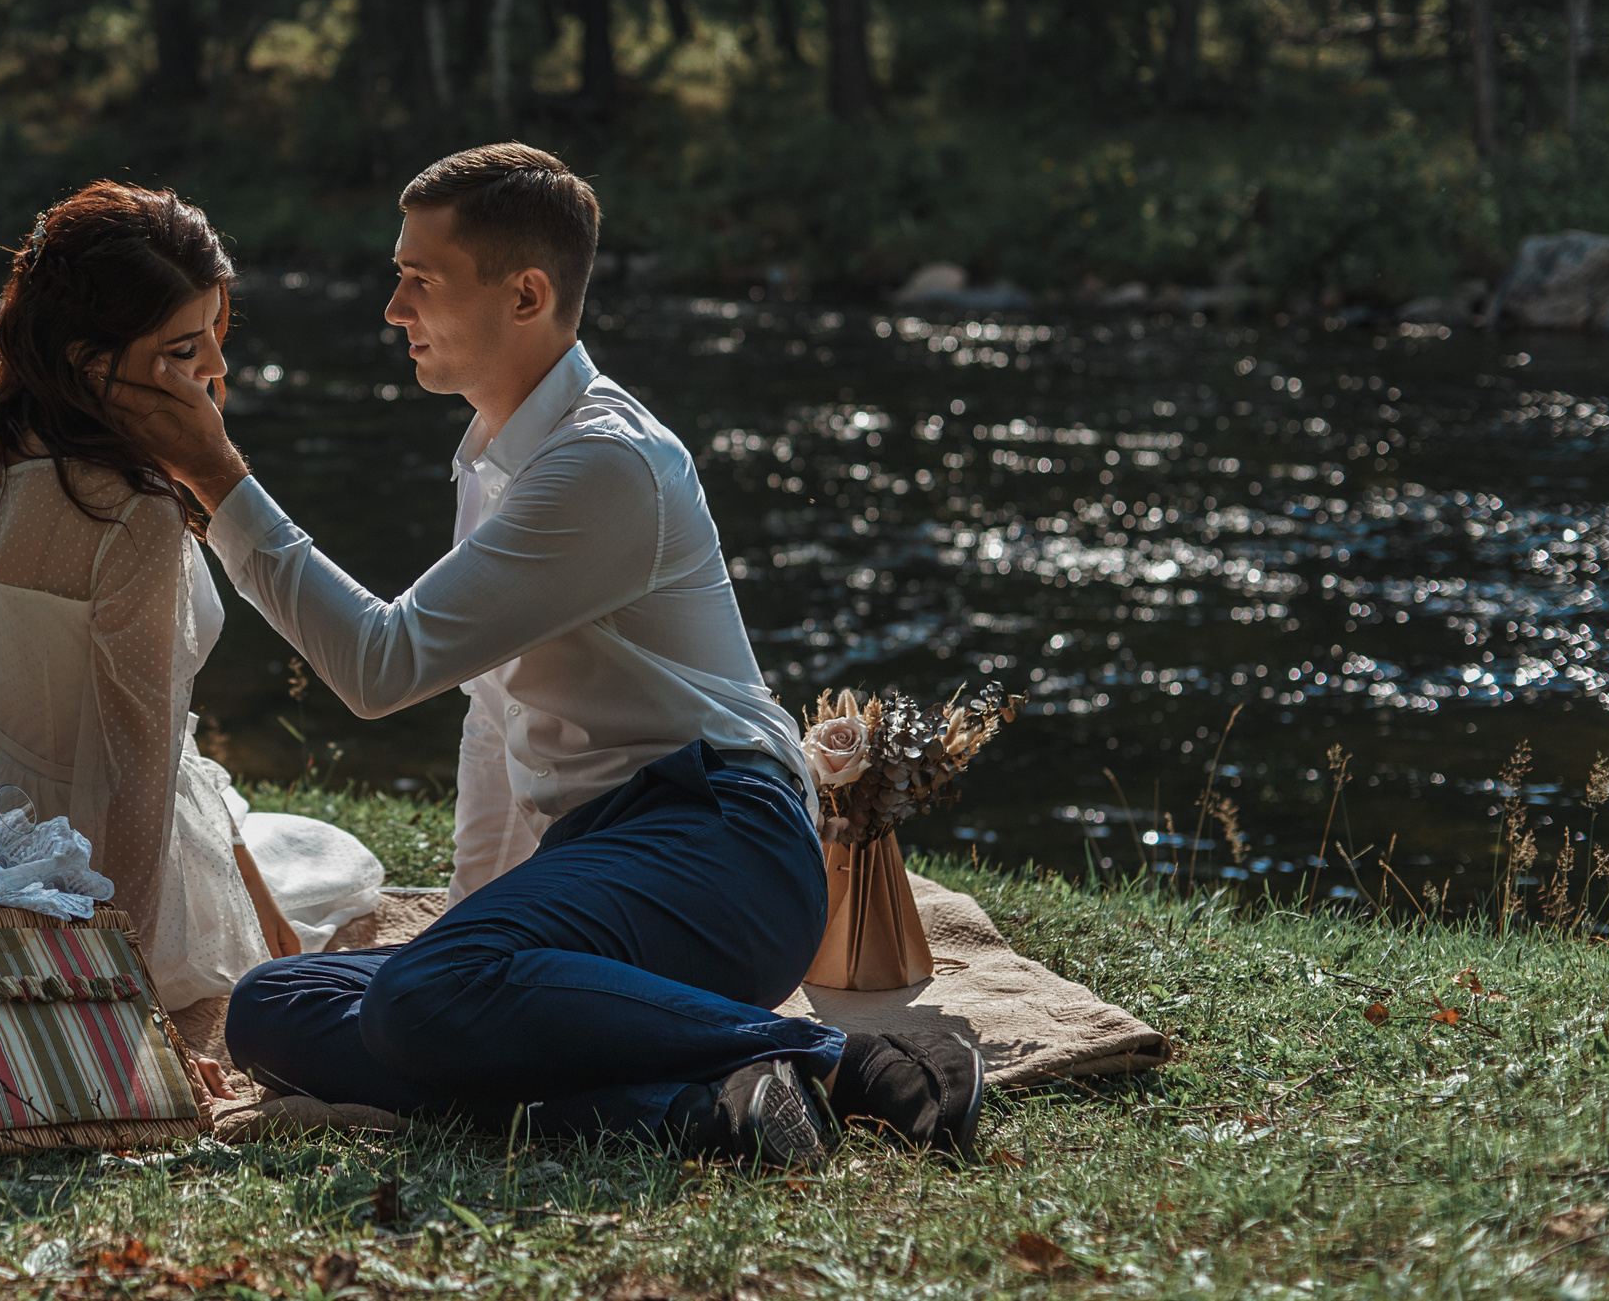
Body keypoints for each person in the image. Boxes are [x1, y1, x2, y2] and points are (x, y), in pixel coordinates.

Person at [115, 143, 982, 1164]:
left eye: (420, 279)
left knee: (423, 998)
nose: (393, 308)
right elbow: (495, 721)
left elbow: (381, 666)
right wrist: (470, 932)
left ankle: (854, 1063)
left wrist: (217, 476)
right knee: (274, 1007)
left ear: (525, 294)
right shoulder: (496, 458)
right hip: (603, 863)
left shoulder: (603, 463)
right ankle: (703, 1108)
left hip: (721, 848)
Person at [0, 180, 383, 1011]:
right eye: (187, 348)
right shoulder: (135, 515)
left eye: (217, 336)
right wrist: (120, 970)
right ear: (91, 363)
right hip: (95, 860)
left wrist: (246, 877)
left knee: (299, 865)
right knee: (334, 871)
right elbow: (137, 775)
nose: (219, 369)